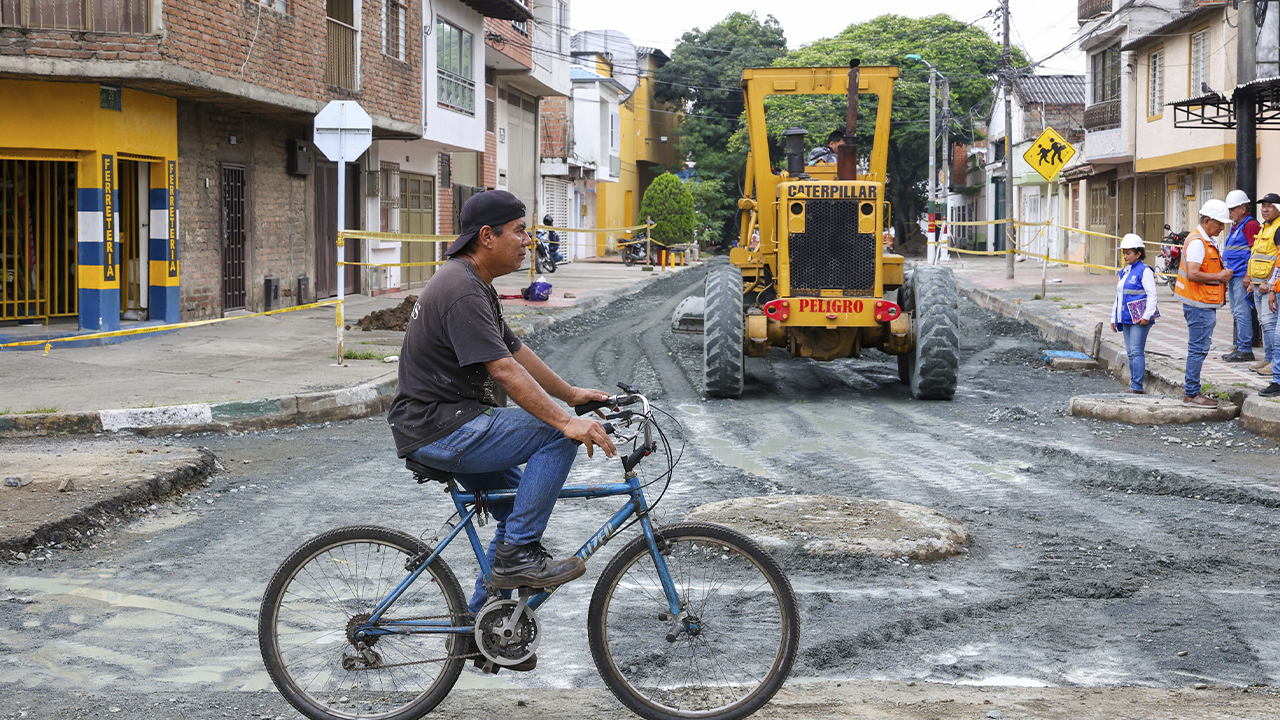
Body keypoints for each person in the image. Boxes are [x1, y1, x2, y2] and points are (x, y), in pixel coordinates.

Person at [387, 190, 617, 633]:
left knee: (514, 512)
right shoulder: (461, 290)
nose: (528, 241)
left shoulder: (474, 283)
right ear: (487, 236)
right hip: (442, 427)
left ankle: (484, 631)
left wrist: (571, 395)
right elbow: (505, 371)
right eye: (520, 231)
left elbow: (516, 352)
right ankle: (518, 556)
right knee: (555, 434)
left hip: (451, 422)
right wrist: (566, 421)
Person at [1173, 198, 1233, 407]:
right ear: (1207, 221)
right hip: (1198, 304)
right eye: (1219, 224)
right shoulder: (1198, 242)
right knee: (1198, 349)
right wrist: (1219, 276)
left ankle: (1192, 391)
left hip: (1201, 302)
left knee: (1198, 348)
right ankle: (1191, 393)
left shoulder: (1202, 239)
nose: (1222, 228)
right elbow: (1193, 274)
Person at [1111, 234, 1158, 394]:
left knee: (1137, 352)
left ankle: (1137, 387)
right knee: (1131, 353)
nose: (1125, 256)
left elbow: (1152, 295)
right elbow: (1118, 297)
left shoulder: (1145, 271)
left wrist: (1146, 316)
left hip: (1139, 319)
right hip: (1126, 318)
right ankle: (1134, 385)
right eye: (1124, 253)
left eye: (1128, 253)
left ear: (1138, 253)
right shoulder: (1124, 272)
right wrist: (1114, 317)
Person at [1220, 189, 1259, 362]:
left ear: (1243, 208)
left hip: (1242, 276)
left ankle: (1245, 349)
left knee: (1242, 312)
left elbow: (1255, 252)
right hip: (1233, 275)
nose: (1230, 212)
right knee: (1236, 312)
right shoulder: (1236, 226)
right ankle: (1241, 347)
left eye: (1233, 209)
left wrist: (1249, 276)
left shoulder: (1250, 225)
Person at [1243, 193, 1280, 377]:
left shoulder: (1278, 228)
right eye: (1263, 206)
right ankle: (1268, 358)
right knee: (1264, 324)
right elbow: (1256, 255)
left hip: (1268, 285)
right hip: (1258, 284)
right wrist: (1252, 281)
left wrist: (1269, 282)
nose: (1265, 209)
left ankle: (1275, 363)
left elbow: (1278, 258)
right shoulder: (1265, 226)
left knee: (1270, 324)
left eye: (1269, 206)